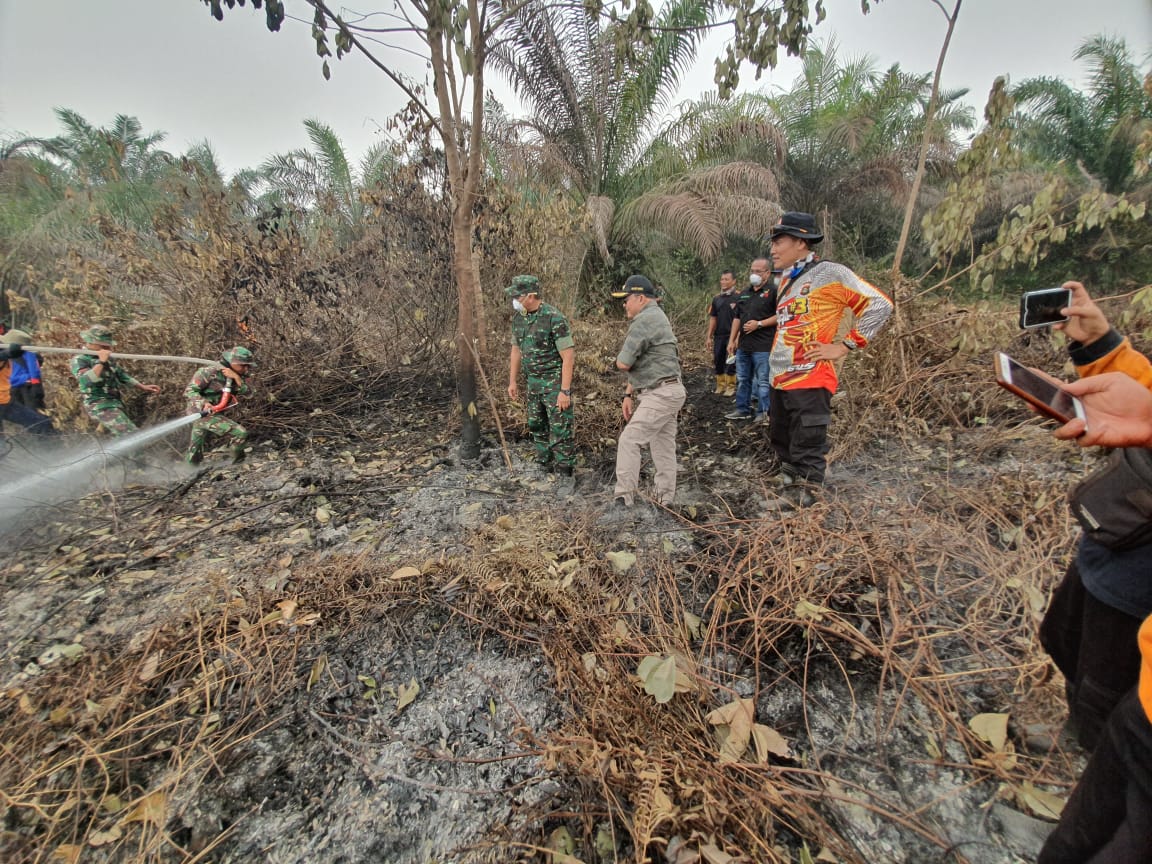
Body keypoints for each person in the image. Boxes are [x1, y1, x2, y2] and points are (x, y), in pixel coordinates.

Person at [1038, 376, 1152, 864]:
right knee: (1064, 639)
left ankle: (1089, 736)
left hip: (1135, 585)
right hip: (1119, 539)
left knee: (1104, 689)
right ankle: (1084, 740)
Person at [1034, 281, 1152, 750]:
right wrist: (1104, 347)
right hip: (1121, 528)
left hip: (1140, 574)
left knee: (1111, 684)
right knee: (1066, 637)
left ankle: (1095, 754)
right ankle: (1079, 727)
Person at [766, 212, 893, 503]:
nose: (772, 248)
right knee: (782, 436)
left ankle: (807, 501)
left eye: (779, 241)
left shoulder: (830, 273)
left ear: (800, 242)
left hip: (810, 377)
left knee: (808, 443)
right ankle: (788, 485)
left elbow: (879, 305)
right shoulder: (786, 279)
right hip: (780, 378)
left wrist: (845, 345)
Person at [610, 275, 686, 511]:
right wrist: (628, 393)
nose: (624, 304)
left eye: (626, 299)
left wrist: (612, 363)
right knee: (662, 447)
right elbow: (647, 360)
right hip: (670, 390)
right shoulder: (657, 316)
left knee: (629, 440)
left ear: (640, 298)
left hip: (660, 393)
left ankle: (623, 500)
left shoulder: (644, 320)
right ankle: (665, 500)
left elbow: (624, 363)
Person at [505, 275, 576, 493]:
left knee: (560, 428)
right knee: (536, 425)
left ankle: (566, 473)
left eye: (518, 295)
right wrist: (513, 380)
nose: (515, 299)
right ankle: (544, 464)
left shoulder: (554, 318)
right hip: (533, 384)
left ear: (531, 296)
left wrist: (564, 391)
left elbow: (569, 356)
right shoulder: (519, 319)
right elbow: (516, 350)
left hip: (553, 383)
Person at [71, 325, 161, 436]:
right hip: (99, 405)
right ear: (91, 343)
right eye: (104, 346)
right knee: (130, 434)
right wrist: (101, 362)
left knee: (119, 436)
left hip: (115, 403)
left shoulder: (109, 358)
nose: (108, 350)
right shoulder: (80, 359)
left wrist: (142, 386)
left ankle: (108, 452)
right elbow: (87, 380)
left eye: (109, 347)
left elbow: (120, 374)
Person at [725, 258, 778, 423]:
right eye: (752, 271)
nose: (754, 274)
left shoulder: (774, 292)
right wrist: (732, 340)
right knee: (743, 379)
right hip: (744, 346)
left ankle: (764, 413)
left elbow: (781, 316)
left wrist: (759, 324)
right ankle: (743, 409)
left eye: (758, 271)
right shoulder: (744, 293)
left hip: (763, 346)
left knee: (763, 381)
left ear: (767, 273)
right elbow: (737, 318)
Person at [184, 346, 256, 465]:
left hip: (215, 413)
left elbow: (250, 394)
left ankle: (189, 470)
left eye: (248, 365)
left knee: (195, 449)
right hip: (201, 412)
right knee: (240, 433)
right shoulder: (209, 372)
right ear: (232, 362)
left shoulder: (241, 375)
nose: (246, 369)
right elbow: (189, 391)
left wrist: (237, 378)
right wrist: (204, 403)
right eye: (243, 365)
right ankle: (238, 463)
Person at [0, 334, 53, 435]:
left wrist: (36, 385)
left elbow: (34, 368)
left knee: (41, 423)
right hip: (9, 396)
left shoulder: (25, 354)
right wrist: (8, 353)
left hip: (6, 401)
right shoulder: (6, 354)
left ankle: (49, 449)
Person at [706, 270, 739, 396]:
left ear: (733, 281)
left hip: (732, 336)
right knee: (718, 360)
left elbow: (741, 318)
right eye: (722, 279)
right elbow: (713, 318)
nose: (723, 282)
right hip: (719, 336)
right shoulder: (716, 299)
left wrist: (737, 338)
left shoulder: (739, 297)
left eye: (726, 279)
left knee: (731, 361)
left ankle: (731, 386)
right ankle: (720, 385)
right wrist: (709, 336)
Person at [5, 329, 46, 411]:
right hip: (22, 386)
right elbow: (34, 371)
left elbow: (34, 370)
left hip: (19, 387)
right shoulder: (29, 353)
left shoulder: (6, 352)